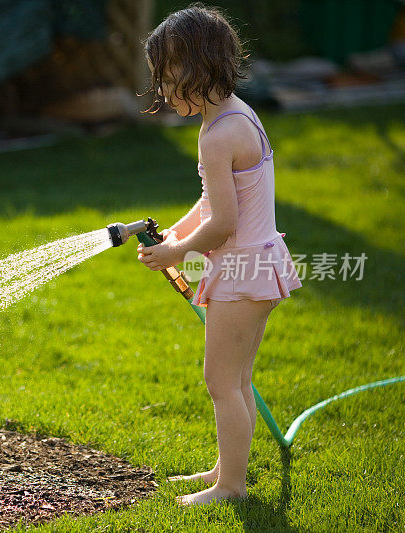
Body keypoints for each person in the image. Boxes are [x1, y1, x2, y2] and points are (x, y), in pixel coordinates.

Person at [135, 5, 302, 505]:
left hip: (241, 270)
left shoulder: (218, 135)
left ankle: (231, 487)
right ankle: (225, 470)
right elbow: (215, 202)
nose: (162, 90)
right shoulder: (236, 115)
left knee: (221, 382)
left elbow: (225, 225)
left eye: (167, 78)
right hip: (260, 262)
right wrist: (180, 232)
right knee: (239, 379)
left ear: (198, 66)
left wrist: (178, 251)